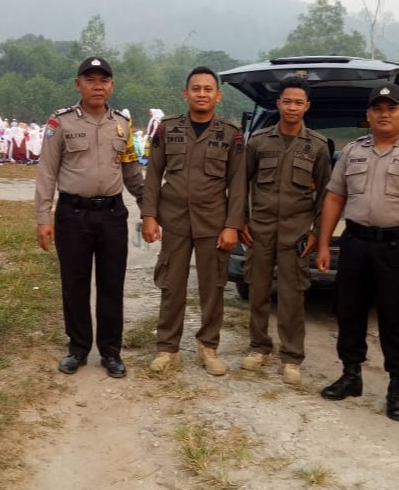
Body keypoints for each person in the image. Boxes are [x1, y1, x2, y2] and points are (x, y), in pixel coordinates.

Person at [316, 83, 399, 421]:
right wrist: (322, 241)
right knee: (349, 311)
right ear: (368, 115)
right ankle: (351, 375)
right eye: (377, 108)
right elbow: (334, 197)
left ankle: (397, 388)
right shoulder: (351, 152)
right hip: (356, 243)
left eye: (391, 108)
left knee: (395, 318)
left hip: (397, 247)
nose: (384, 114)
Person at [35, 56, 144, 378]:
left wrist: (151, 208)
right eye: (91, 79)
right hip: (74, 215)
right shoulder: (60, 123)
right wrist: (43, 217)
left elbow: (132, 171)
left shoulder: (122, 125)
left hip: (111, 214)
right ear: (78, 84)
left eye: (104, 80)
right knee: (75, 284)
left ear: (112, 85)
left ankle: (111, 352)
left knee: (112, 285)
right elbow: (47, 172)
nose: (98, 86)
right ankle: (78, 348)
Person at [141, 66, 246, 377]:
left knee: (212, 286)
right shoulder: (167, 129)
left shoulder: (230, 134)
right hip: (173, 220)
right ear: (185, 93)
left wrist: (232, 225)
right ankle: (167, 348)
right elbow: (154, 174)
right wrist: (149, 216)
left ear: (218, 95)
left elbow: (238, 183)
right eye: (196, 88)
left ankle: (208, 347)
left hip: (213, 222)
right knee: (171, 285)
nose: (202, 93)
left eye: (208, 89)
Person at [240, 76, 332, 385]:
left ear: (307, 107)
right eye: (287, 101)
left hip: (296, 235)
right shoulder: (258, 142)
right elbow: (241, 184)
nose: (292, 107)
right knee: (258, 291)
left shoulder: (317, 146)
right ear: (278, 104)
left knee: (293, 297)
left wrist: (318, 232)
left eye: (298, 102)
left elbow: (326, 195)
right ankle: (258, 347)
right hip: (260, 230)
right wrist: (241, 221)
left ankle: (292, 357)